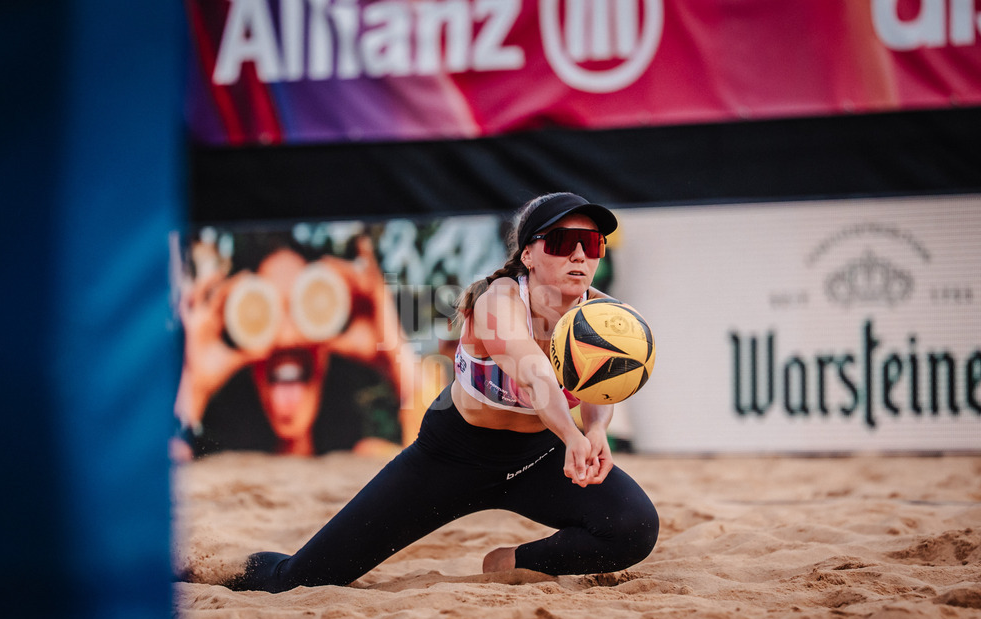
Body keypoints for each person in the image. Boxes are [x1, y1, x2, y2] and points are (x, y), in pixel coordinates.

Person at [221, 193, 659, 592]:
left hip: (537, 457)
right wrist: (573, 436)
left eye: (593, 243)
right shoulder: (498, 301)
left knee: (632, 528)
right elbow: (534, 375)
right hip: (453, 456)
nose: (580, 255)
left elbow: (605, 386)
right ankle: (215, 565)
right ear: (528, 253)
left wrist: (597, 431)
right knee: (301, 580)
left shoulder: (606, 317)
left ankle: (513, 561)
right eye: (563, 242)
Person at [173, 230, 430, 459]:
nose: (286, 336)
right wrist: (193, 389)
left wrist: (393, 354)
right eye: (266, 314)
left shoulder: (365, 459)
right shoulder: (220, 469)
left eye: (304, 311)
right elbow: (148, 491)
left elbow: (441, 469)